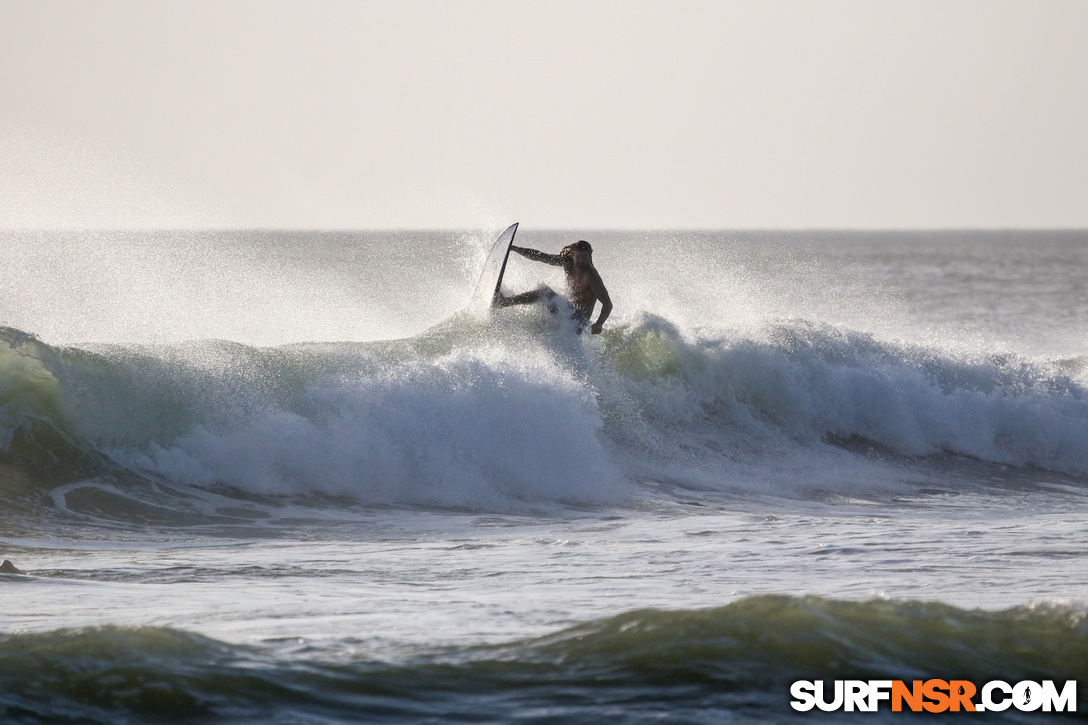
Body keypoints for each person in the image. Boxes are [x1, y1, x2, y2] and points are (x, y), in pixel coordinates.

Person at [495, 239, 612, 334]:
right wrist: (515, 249)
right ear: (572, 255)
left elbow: (607, 304)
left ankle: (504, 302)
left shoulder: (592, 277)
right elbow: (541, 257)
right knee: (540, 317)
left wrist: (599, 324)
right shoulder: (568, 263)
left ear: (590, 255)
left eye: (585, 256)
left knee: (544, 293)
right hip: (566, 314)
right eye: (578, 256)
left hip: (578, 323)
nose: (581, 260)